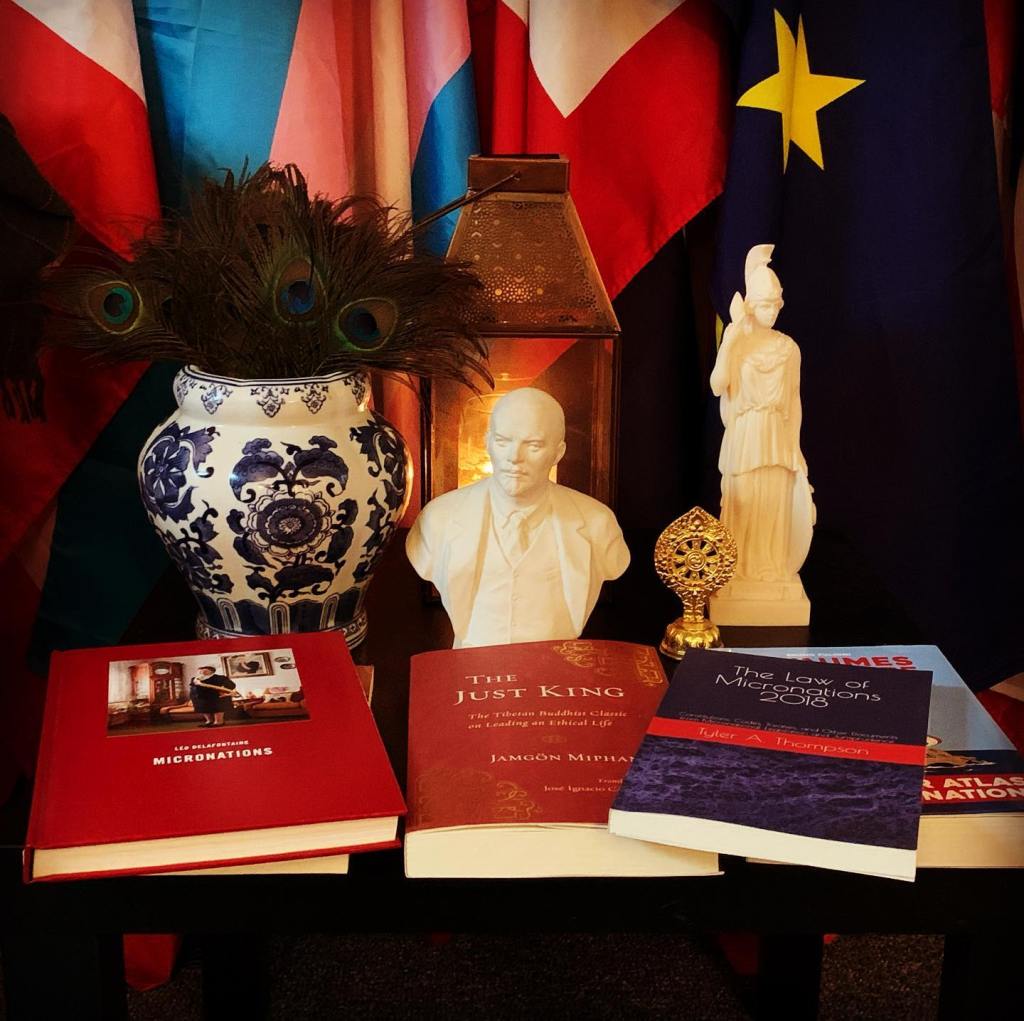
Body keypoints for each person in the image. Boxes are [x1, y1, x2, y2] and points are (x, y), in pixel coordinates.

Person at [406, 387, 630, 648]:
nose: (514, 458)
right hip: (472, 660)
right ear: (487, 442)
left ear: (558, 453)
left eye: (533, 445)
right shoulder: (438, 519)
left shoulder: (596, 523)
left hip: (556, 660)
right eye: (503, 441)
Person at [709, 244, 814, 591]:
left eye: (775, 305)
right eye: (764, 305)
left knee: (773, 503)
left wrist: (796, 450)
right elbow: (717, 385)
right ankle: (739, 568)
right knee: (745, 502)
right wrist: (730, 341)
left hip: (776, 435)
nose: (771, 312)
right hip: (746, 434)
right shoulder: (737, 341)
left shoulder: (789, 348)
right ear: (751, 306)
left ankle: (771, 568)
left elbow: (794, 402)